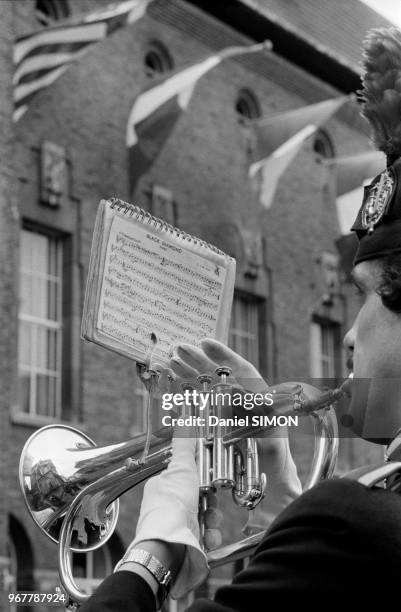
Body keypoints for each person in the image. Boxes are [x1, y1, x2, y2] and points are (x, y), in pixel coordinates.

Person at [80, 26, 401, 611]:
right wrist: (283, 490)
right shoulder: (359, 514)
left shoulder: (354, 520)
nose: (350, 335)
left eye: (366, 296)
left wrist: (156, 542)